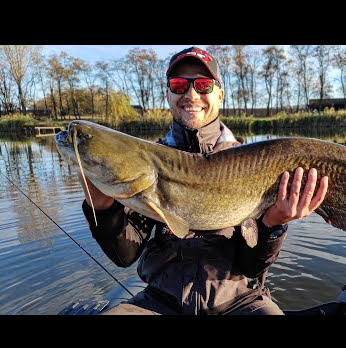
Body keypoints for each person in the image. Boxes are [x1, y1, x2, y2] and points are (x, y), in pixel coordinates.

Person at [79, 46, 329, 315]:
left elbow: (252, 266)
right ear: (168, 94)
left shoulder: (257, 164)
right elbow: (124, 255)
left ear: (220, 94)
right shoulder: (143, 165)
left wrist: (272, 225)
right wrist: (103, 210)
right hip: (160, 301)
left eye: (203, 85)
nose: (190, 94)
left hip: (240, 300)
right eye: (178, 85)